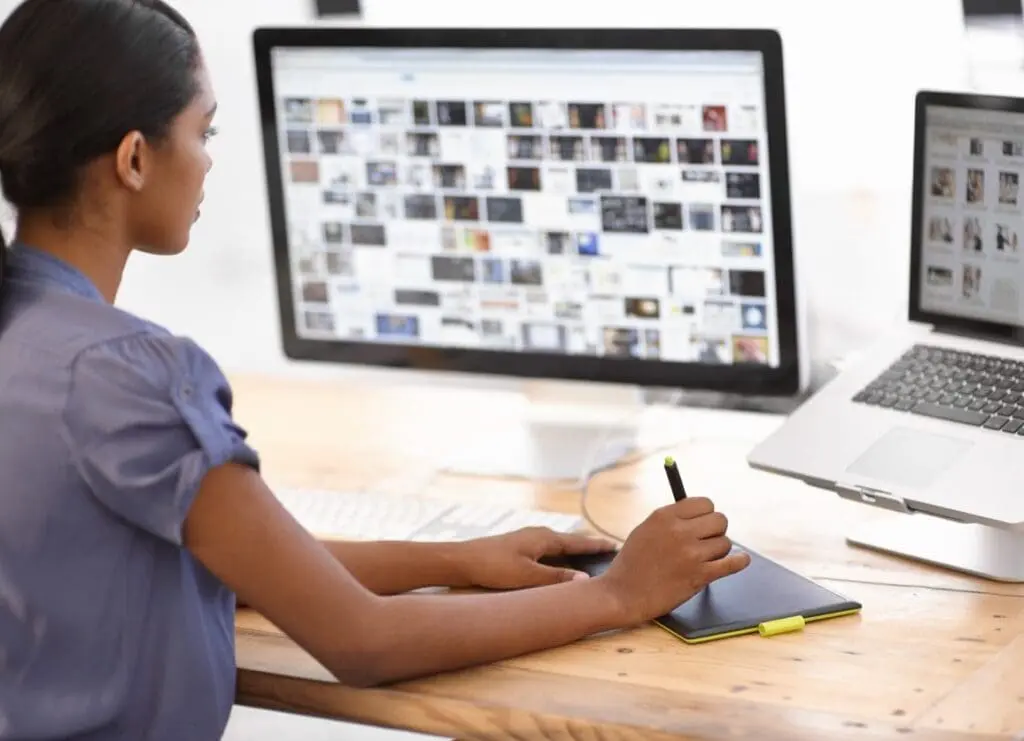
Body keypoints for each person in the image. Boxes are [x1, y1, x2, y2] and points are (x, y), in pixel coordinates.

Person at [0, 1, 750, 739]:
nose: (209, 160)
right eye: (205, 131)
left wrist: (457, 559)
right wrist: (618, 595)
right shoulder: (129, 377)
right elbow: (364, 641)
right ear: (134, 158)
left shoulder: (27, 336)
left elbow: (241, 562)